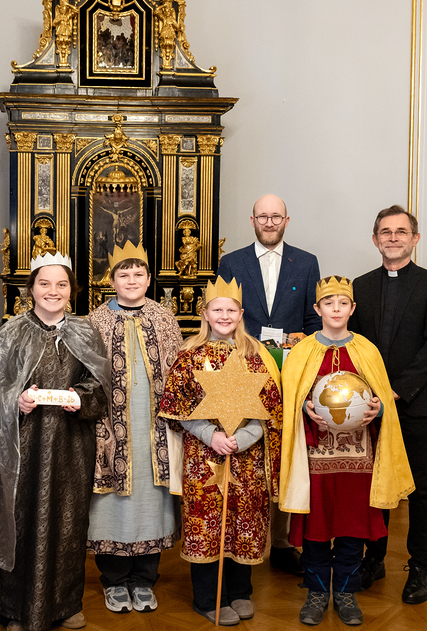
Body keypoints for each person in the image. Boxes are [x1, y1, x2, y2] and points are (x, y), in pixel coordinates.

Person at [0, 251, 111, 631]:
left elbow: (102, 388)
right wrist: (17, 401)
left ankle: (65, 605)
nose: (53, 291)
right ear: (31, 288)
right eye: (45, 283)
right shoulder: (12, 332)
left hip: (72, 447)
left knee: (68, 526)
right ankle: (15, 610)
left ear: (72, 289)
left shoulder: (86, 332)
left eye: (61, 284)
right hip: (23, 448)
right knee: (20, 523)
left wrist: (81, 398)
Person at [279, 276, 414, 626]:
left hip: (359, 458)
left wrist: (378, 409)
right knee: (317, 528)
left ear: (353, 309)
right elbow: (289, 400)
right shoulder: (302, 352)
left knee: (353, 528)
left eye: (343, 303)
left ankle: (346, 592)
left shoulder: (367, 350)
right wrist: (304, 408)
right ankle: (317, 592)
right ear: (317, 309)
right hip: (315, 458)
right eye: (329, 303)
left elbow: (381, 399)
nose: (336, 309)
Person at [158, 277, 283, 627]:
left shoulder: (256, 355)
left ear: (241, 314)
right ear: (206, 313)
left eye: (231, 310)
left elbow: (271, 408)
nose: (225, 316)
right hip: (205, 456)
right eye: (218, 309)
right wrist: (210, 434)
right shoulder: (190, 355)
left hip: (247, 457)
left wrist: (244, 438)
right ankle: (208, 598)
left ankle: (240, 591)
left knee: (245, 520)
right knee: (207, 523)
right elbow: (177, 406)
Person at [349, 205, 427, 605]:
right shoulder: (359, 286)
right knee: (374, 483)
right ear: (375, 240)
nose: (393, 238)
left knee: (420, 487)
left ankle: (419, 567)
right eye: (386, 232)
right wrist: (368, 392)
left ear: (415, 239)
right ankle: (374, 559)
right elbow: (354, 345)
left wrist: (396, 390)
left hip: (414, 401)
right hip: (369, 403)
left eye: (401, 231)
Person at [216, 193, 321, 575]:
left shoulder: (306, 262)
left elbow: (313, 321)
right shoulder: (232, 262)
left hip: (290, 375)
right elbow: (222, 315)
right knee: (245, 450)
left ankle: (280, 542)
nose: (270, 222)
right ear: (252, 220)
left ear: (286, 221)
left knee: (283, 451)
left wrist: (304, 350)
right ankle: (238, 539)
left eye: (277, 216)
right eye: (263, 216)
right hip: (244, 370)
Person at [86, 242, 183, 614]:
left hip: (154, 430)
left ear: (149, 278)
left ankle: (143, 580)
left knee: (150, 500)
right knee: (111, 503)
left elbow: (179, 371)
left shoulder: (164, 317)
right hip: (109, 430)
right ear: (111, 280)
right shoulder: (95, 320)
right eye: (123, 274)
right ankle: (113, 580)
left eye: (138, 274)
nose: (131, 280)